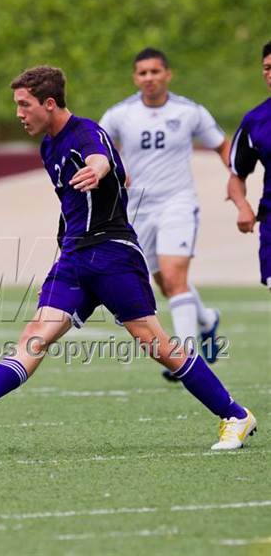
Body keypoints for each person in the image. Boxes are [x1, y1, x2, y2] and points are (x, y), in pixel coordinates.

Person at [0, 66, 256, 451]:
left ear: (48, 103)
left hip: (112, 252)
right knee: (34, 335)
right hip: (74, 256)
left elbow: (100, 159)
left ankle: (235, 415)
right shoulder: (48, 146)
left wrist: (97, 170)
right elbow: (76, 200)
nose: (18, 114)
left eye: (24, 105)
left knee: (156, 344)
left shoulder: (86, 132)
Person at [99, 48, 230, 380]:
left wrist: (235, 178)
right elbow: (97, 145)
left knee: (174, 279)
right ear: (135, 78)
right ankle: (207, 319)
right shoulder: (120, 114)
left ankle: (184, 359)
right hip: (138, 208)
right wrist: (115, 164)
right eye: (142, 73)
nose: (149, 78)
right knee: (164, 284)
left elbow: (221, 144)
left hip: (178, 203)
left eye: (155, 71)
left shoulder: (189, 111)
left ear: (167, 74)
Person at [227, 41, 271, 290]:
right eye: (266, 68)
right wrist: (243, 207)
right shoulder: (255, 121)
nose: (270, 73)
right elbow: (236, 176)